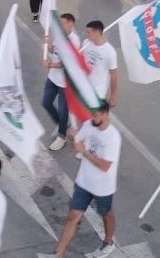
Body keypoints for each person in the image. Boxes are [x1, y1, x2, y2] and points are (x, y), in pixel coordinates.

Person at [46, 103, 121, 258]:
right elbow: (76, 147)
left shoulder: (112, 137)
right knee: (73, 216)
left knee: (106, 214)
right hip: (84, 181)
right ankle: (58, 254)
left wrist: (84, 152)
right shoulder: (89, 125)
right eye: (92, 114)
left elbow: (105, 166)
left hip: (102, 186)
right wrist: (74, 138)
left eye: (97, 115)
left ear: (105, 114)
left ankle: (108, 242)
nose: (93, 118)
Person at [43, 13, 77, 151]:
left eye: (63, 22)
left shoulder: (74, 41)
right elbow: (55, 52)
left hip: (65, 83)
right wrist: (48, 44)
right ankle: (61, 124)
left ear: (70, 24)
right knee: (46, 103)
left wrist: (50, 65)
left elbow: (66, 62)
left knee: (63, 111)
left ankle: (61, 137)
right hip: (53, 78)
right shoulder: (60, 35)